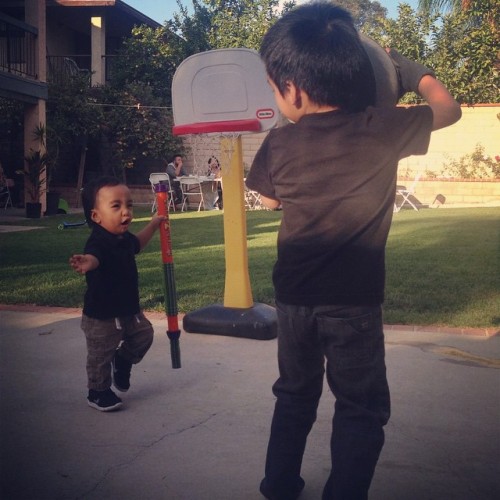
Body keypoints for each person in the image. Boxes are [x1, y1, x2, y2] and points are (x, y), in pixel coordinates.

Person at [245, 2, 461, 499]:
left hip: (295, 299)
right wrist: (409, 70)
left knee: (294, 395)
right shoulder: (384, 128)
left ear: (292, 90)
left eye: (274, 85)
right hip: (355, 303)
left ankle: (278, 485)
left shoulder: (279, 143)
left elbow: (271, 199)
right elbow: (450, 110)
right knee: (360, 406)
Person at [69, 176, 165, 412]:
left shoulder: (123, 238)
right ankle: (98, 391)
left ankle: (123, 361)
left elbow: (138, 245)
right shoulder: (99, 242)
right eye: (116, 206)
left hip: (128, 309)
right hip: (102, 315)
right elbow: (94, 258)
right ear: (96, 216)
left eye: (129, 205)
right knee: (100, 355)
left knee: (144, 335)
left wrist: (153, 225)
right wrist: (87, 263)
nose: (126, 212)